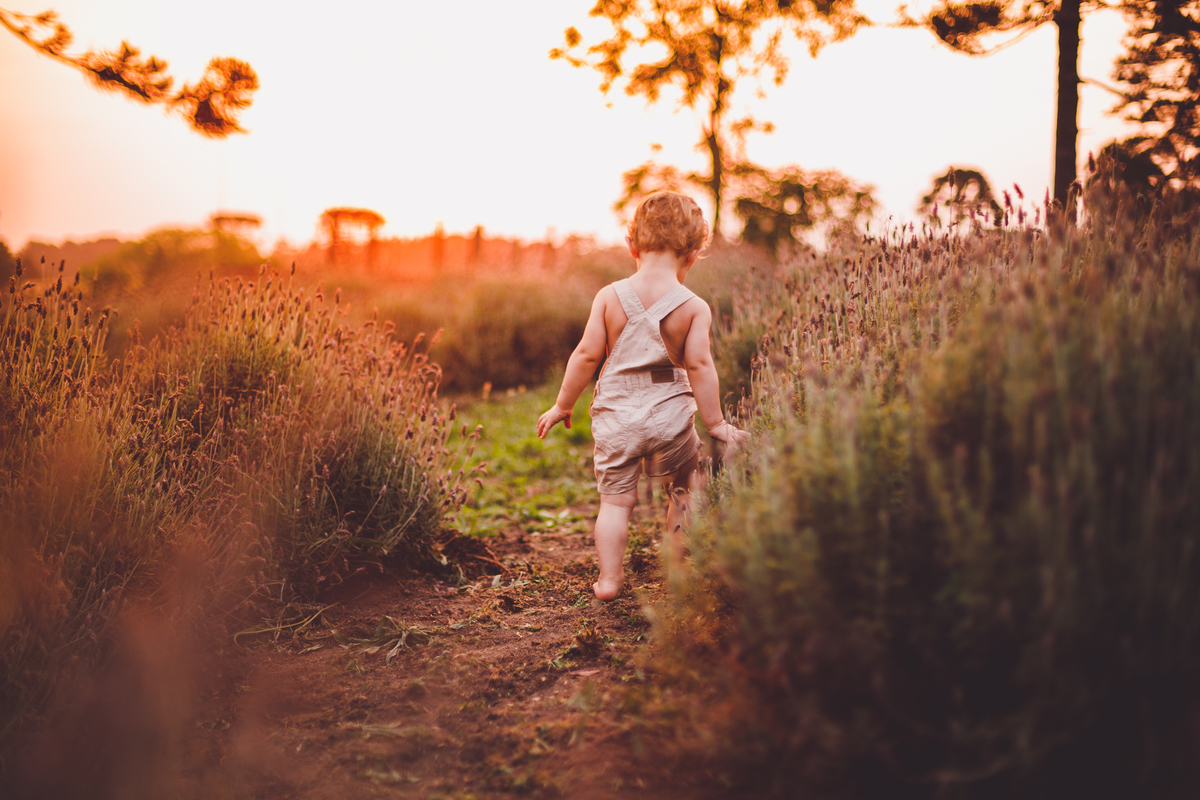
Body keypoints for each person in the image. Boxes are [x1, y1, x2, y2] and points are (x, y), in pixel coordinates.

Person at [536, 191, 749, 600]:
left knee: (615, 504)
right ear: (692, 255)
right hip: (669, 417)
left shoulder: (608, 297)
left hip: (617, 417)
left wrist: (563, 404)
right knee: (684, 494)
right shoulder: (694, 307)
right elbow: (701, 366)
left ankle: (610, 581)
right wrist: (717, 423)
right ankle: (677, 576)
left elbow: (585, 355)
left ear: (631, 245)